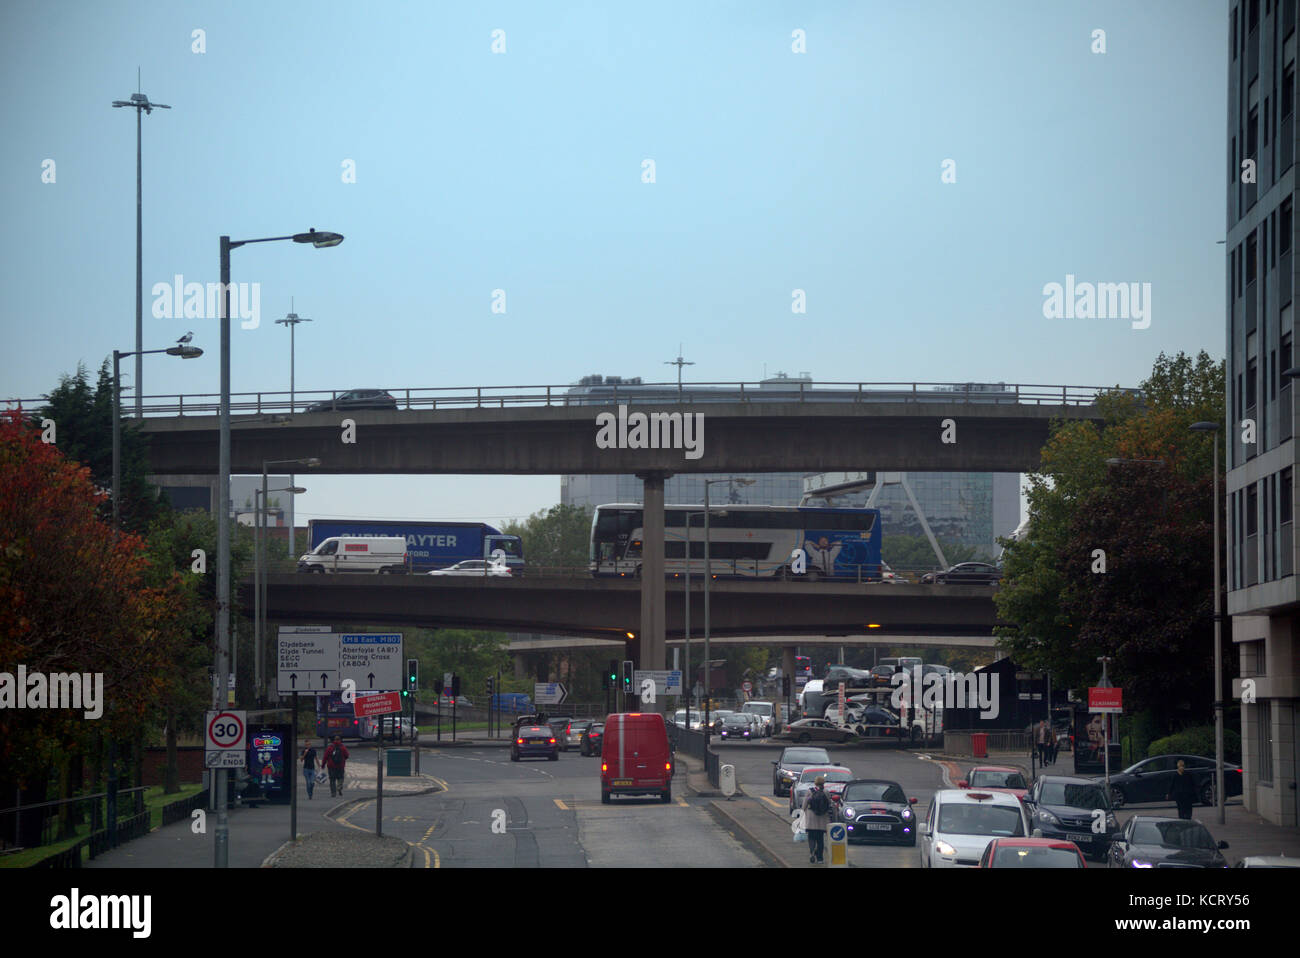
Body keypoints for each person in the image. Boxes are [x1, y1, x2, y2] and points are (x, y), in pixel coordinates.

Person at [801, 774, 832, 865]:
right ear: (823, 783)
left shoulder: (810, 791)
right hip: (822, 819)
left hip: (811, 818)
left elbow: (804, 805)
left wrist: (801, 814)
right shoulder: (826, 792)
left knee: (811, 837)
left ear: (815, 782)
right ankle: (820, 858)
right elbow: (829, 804)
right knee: (820, 839)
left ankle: (812, 853)